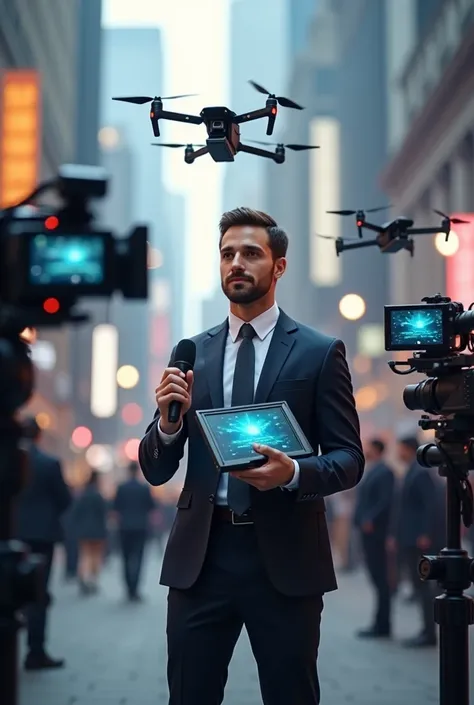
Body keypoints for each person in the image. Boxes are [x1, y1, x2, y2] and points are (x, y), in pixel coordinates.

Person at [139, 207, 364, 705]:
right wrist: (168, 424)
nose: (236, 263)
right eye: (227, 254)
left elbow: (349, 458)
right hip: (202, 556)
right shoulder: (192, 352)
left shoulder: (319, 352)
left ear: (278, 266)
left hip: (285, 557)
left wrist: (295, 473)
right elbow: (156, 468)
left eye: (250, 253)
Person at [14, 417, 72, 671]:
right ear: (39, 435)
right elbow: (64, 499)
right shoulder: (49, 464)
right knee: (37, 594)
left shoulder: (10, 460)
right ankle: (35, 651)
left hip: (10, 534)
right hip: (42, 537)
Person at [389, 435, 438, 647]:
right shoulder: (410, 471)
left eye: (400, 448)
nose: (398, 452)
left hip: (418, 540)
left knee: (424, 587)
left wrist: (425, 533)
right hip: (408, 538)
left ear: (408, 449)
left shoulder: (420, 474)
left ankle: (429, 633)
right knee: (418, 587)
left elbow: (430, 506)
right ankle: (425, 630)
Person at [353, 438, 395, 638]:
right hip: (368, 532)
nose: (366, 451)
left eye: (369, 448)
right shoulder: (373, 470)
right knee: (376, 580)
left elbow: (385, 501)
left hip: (377, 533)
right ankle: (379, 622)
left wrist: (370, 519)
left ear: (377, 450)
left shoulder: (385, 472)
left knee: (381, 580)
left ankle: (383, 625)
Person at [113, 461, 156, 601]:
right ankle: (135, 589)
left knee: (125, 558)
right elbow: (151, 507)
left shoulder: (121, 488)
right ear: (137, 471)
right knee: (138, 558)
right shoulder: (144, 488)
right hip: (141, 527)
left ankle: (128, 588)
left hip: (124, 527)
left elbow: (116, 508)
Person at [72, 469, 108, 595]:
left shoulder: (83, 495)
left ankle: (83, 576)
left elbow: (76, 512)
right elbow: (103, 514)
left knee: (85, 555)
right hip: (97, 531)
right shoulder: (98, 496)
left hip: (84, 530)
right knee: (96, 556)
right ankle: (93, 580)